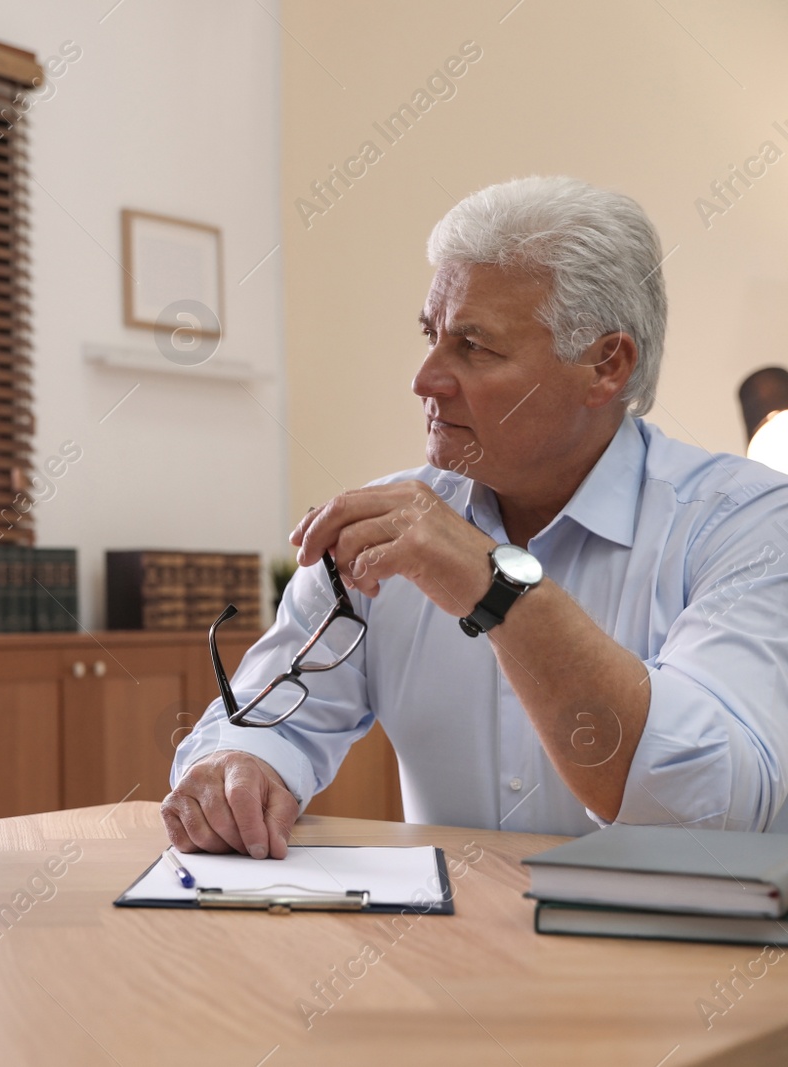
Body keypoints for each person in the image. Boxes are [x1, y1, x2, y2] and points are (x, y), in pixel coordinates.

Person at [164, 176, 788, 858]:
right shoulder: (389, 523)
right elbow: (262, 721)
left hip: (683, 961)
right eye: (431, 335)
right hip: (447, 955)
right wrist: (239, 767)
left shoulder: (747, 526)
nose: (424, 378)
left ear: (606, 366)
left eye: (474, 346)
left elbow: (711, 810)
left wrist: (498, 590)